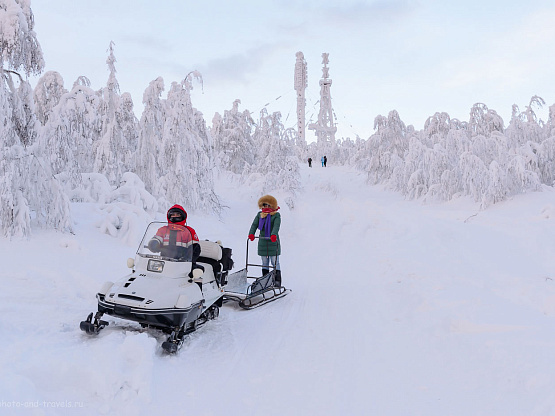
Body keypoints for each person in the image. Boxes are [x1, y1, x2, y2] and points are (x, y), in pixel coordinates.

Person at [148, 204, 204, 285]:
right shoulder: (163, 230)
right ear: (169, 216)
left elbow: (195, 248)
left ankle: (198, 295)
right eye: (173, 214)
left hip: (184, 263)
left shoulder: (189, 231)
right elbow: (157, 238)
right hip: (165, 262)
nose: (175, 216)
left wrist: (187, 258)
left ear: (183, 216)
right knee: (151, 276)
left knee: (195, 276)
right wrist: (153, 244)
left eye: (178, 214)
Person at [248, 195, 282, 287]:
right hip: (263, 241)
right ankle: (265, 281)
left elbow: (276, 226)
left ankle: (277, 280)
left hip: (273, 241)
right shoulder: (260, 215)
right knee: (264, 262)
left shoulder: (276, 215)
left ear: (272, 205)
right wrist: (251, 233)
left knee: (274, 262)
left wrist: (273, 234)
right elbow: (254, 224)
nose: (266, 207)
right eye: (264, 205)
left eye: (268, 205)